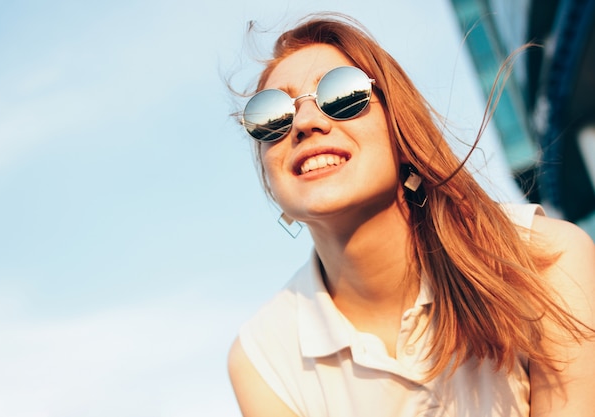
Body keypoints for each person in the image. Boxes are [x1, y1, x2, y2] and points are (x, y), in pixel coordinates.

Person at [227, 13, 595, 417]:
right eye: (272, 117)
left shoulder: (547, 260)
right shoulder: (264, 360)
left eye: (342, 94)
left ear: (401, 127)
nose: (305, 123)